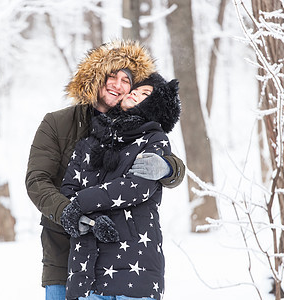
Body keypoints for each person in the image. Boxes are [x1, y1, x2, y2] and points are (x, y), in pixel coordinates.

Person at [25, 40, 185, 300]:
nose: (118, 85)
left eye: (126, 81)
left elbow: (159, 162)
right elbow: (36, 181)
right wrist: (70, 212)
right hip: (63, 249)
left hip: (114, 252)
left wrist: (169, 168)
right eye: (111, 76)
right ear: (94, 78)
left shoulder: (134, 128)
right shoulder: (57, 123)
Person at [59, 72, 180, 300]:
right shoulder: (88, 142)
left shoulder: (154, 140)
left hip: (134, 271)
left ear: (157, 105)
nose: (134, 92)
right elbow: (68, 190)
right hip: (85, 271)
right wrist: (90, 221)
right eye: (136, 90)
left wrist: (81, 204)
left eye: (144, 93)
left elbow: (136, 187)